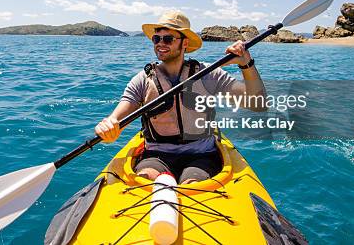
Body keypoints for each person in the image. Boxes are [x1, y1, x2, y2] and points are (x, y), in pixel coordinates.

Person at [95, 10, 267, 184]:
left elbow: (258, 103)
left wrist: (246, 64)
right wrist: (109, 125)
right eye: (157, 39)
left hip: (201, 155)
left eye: (168, 39)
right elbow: (119, 114)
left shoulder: (208, 74)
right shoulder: (142, 80)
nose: (160, 43)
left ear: (184, 43)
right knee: (147, 179)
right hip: (156, 156)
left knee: (192, 183)